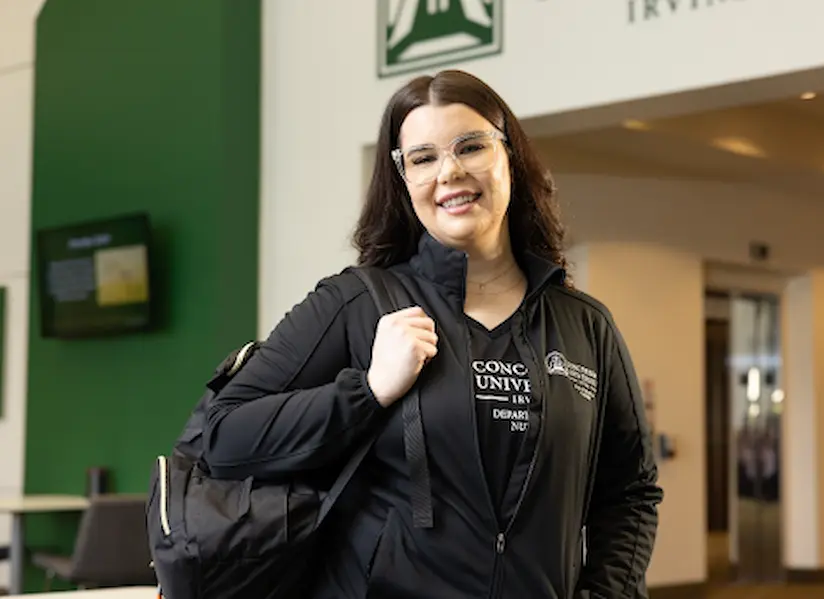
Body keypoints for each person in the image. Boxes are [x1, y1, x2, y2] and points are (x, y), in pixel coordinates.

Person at [203, 69, 663, 598]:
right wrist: (368, 392)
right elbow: (225, 438)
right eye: (422, 158)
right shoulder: (358, 303)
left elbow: (630, 492)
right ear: (403, 180)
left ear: (508, 155)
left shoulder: (584, 325)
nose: (450, 172)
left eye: (470, 147)